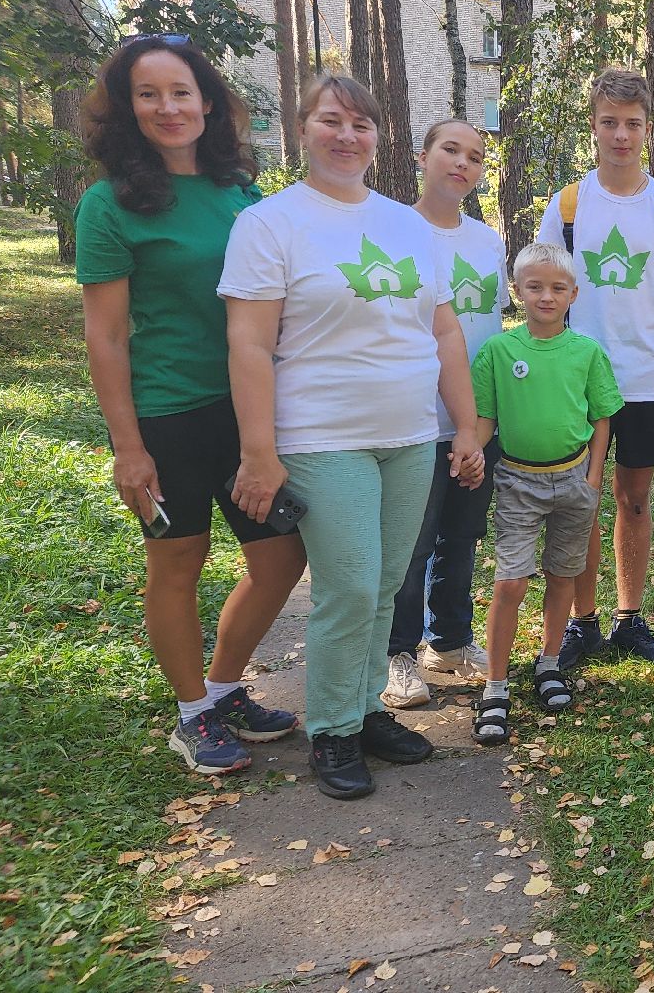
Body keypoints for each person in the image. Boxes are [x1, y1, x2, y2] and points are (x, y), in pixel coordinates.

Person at [220, 75, 486, 800]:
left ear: (378, 137)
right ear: (303, 128)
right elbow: (249, 344)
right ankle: (333, 731)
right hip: (321, 435)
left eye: (360, 124)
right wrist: (258, 452)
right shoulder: (271, 224)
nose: (346, 136)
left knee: (386, 584)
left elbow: (444, 330)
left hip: (409, 435)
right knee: (349, 586)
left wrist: (465, 425)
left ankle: (365, 709)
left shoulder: (406, 225)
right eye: (331, 121)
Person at [76, 34, 307, 776]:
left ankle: (224, 688)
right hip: (168, 415)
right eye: (148, 94)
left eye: (180, 92)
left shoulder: (240, 192)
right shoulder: (109, 205)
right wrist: (128, 447)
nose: (167, 107)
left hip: (250, 411)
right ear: (128, 108)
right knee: (178, 561)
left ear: (207, 101)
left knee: (282, 558)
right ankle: (191, 714)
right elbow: (107, 336)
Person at [533, 68, 654, 669]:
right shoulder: (568, 206)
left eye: (632, 124)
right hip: (576, 383)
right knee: (580, 500)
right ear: (593, 126)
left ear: (648, 130)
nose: (620, 136)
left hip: (648, 379)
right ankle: (582, 621)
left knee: (634, 499)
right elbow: (543, 296)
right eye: (609, 122)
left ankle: (629, 617)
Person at [467, 244, 623, 744]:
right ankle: (495, 687)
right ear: (517, 292)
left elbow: (602, 418)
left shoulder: (587, 352)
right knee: (511, 582)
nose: (546, 297)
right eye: (534, 287)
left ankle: (550, 662)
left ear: (574, 293)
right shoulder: (498, 351)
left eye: (557, 288)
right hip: (517, 482)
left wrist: (593, 478)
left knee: (563, 574)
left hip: (574, 480)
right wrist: (470, 450)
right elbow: (485, 418)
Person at [382, 121, 509, 710]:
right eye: (450, 150)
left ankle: (450, 640)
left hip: (478, 418)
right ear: (421, 157)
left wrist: (483, 418)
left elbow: (490, 324)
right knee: (412, 540)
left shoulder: (488, 241)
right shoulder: (393, 230)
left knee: (462, 534)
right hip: (416, 414)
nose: (462, 163)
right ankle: (399, 653)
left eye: (475, 157)